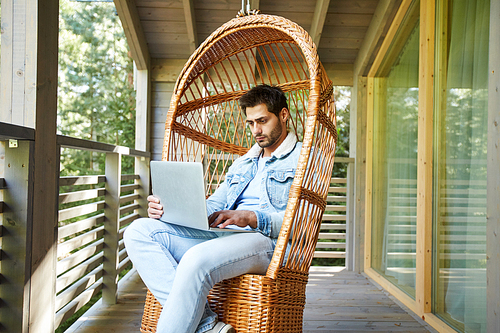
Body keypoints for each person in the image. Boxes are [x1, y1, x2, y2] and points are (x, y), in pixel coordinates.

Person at [124, 84, 302, 333]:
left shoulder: (304, 159)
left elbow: (303, 223)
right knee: (138, 231)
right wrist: (172, 209)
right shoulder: (244, 162)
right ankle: (207, 327)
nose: (256, 130)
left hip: (265, 241)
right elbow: (215, 205)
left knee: (195, 259)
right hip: (223, 236)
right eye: (250, 123)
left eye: (262, 120)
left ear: (283, 115)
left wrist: (251, 217)